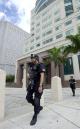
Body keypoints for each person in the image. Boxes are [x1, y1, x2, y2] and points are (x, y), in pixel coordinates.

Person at [26, 54, 45, 125]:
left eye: (32, 58)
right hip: (31, 84)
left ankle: (35, 116)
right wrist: (28, 75)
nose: (31, 59)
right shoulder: (31, 65)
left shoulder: (41, 65)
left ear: (36, 58)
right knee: (28, 98)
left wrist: (40, 86)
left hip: (38, 84)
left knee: (37, 100)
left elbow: (42, 75)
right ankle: (38, 107)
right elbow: (29, 72)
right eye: (31, 58)